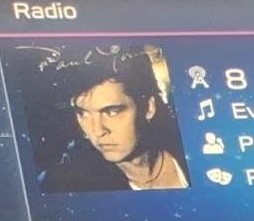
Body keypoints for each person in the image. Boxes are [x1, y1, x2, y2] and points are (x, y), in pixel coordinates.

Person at [40, 49, 190, 192]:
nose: (97, 131)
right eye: (83, 113)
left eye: (112, 112)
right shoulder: (70, 184)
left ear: (149, 108)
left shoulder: (189, 145)